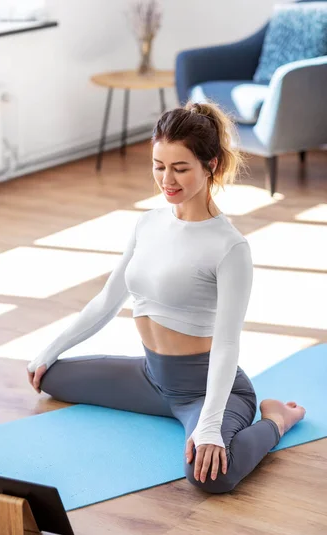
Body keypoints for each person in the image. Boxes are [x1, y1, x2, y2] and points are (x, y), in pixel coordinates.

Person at [27, 100, 305, 494]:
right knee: (49, 377)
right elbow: (108, 299)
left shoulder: (230, 247)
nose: (166, 180)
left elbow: (227, 343)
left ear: (211, 165)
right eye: (159, 166)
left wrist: (209, 424)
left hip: (206, 389)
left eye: (180, 168)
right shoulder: (148, 223)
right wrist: (48, 350)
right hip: (151, 377)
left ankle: (276, 421)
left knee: (211, 476)